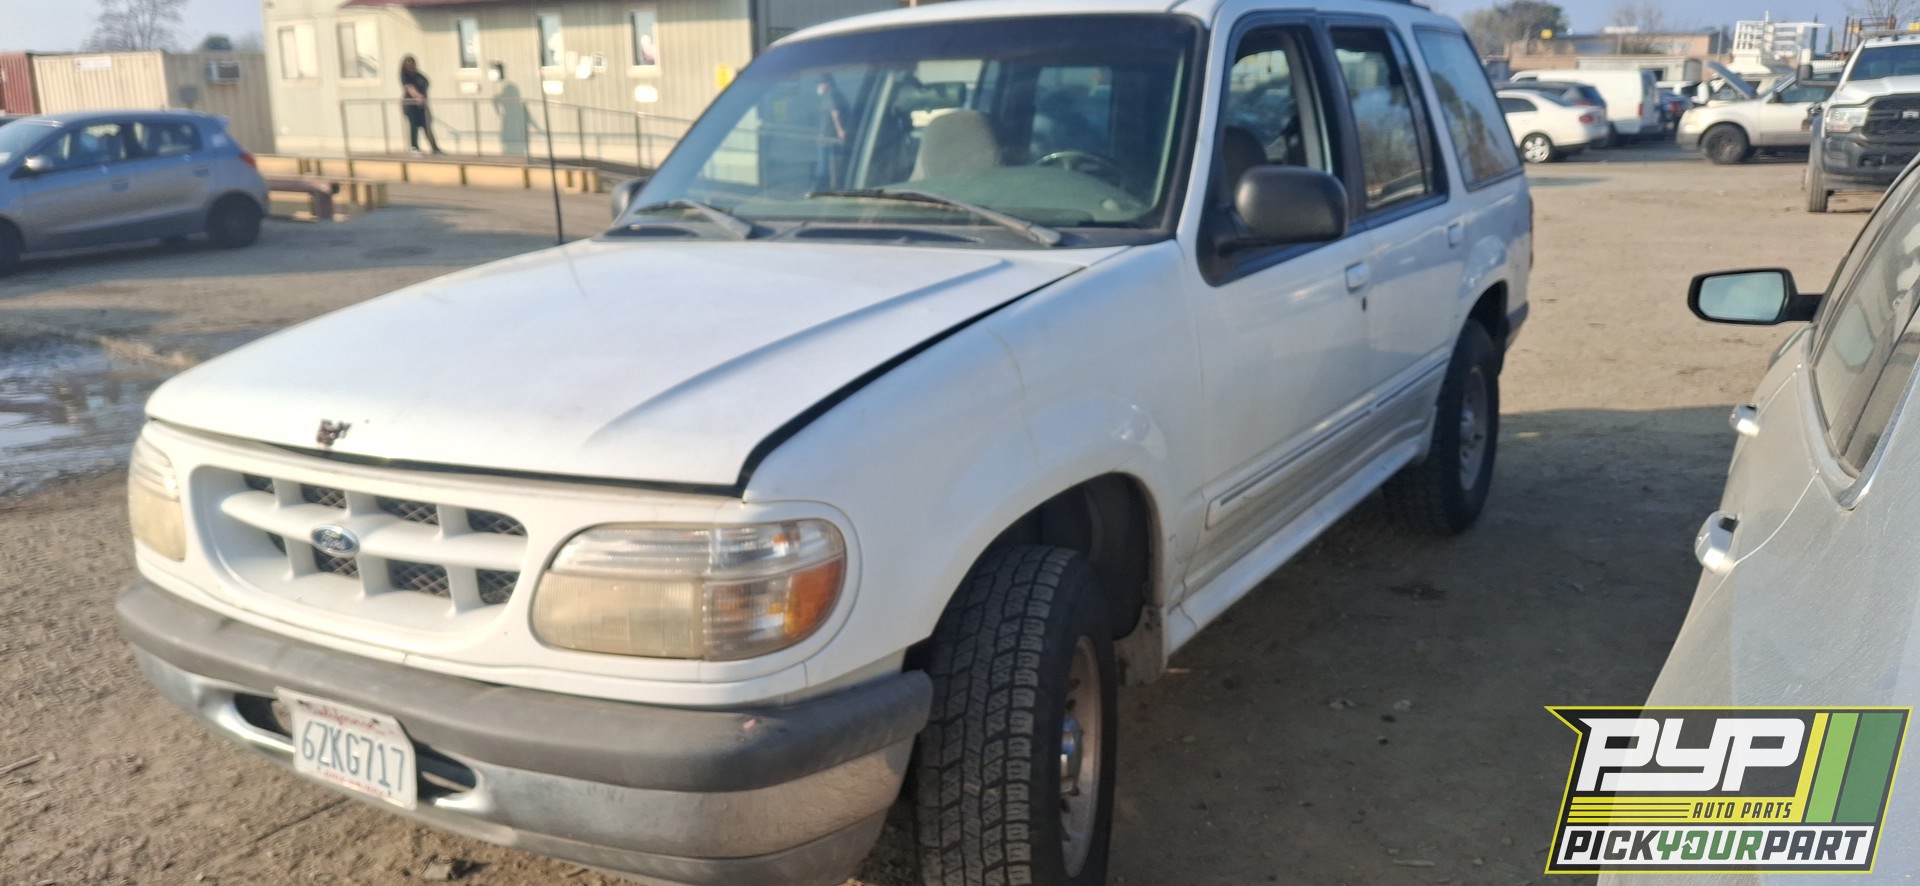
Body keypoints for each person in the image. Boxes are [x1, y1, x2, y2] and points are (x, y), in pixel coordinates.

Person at [400, 56, 444, 156]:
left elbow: (427, 82)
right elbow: (410, 88)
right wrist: (418, 96)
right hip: (410, 104)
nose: (410, 65)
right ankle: (414, 147)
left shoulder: (418, 75)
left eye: (412, 63)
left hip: (421, 105)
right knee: (414, 125)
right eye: (408, 63)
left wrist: (423, 95)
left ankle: (435, 148)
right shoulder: (405, 76)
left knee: (426, 126)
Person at [814, 74, 850, 190]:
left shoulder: (831, 95)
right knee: (829, 163)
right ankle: (830, 185)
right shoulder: (836, 95)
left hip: (829, 138)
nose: (818, 87)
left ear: (827, 84)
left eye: (820, 84)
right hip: (826, 136)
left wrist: (840, 131)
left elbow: (835, 114)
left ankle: (821, 187)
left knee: (824, 165)